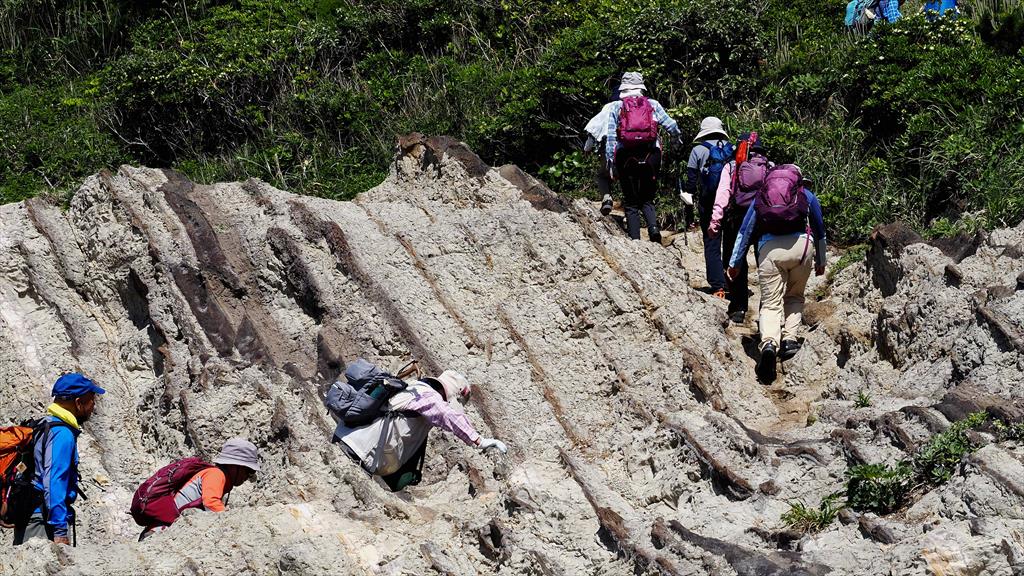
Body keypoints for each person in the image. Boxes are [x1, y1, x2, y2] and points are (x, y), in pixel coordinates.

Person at [727, 167, 827, 383]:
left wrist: (735, 262)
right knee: (794, 296)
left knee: (771, 303)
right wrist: (821, 260)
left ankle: (769, 344)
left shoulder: (761, 196)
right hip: (802, 248)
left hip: (770, 249)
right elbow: (820, 229)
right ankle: (789, 340)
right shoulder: (807, 195)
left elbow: (745, 230)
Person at [333, 370, 507, 491]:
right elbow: (446, 414)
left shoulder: (414, 387)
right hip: (359, 452)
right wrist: (479, 441)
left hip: (348, 439)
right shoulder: (429, 396)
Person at [13, 373, 104, 545]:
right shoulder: (62, 434)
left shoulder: (44, 425)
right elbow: (54, 481)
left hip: (32, 515)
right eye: (92, 399)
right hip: (44, 522)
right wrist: (60, 529)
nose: (94, 405)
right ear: (78, 402)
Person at [604, 71, 682, 242]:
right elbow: (672, 126)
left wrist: (611, 163)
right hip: (650, 155)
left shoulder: (616, 106)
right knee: (647, 198)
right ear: (641, 87)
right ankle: (653, 230)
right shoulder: (652, 104)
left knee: (631, 201)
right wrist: (676, 143)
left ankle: (635, 240)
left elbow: (610, 138)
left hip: (626, 157)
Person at [138, 438, 260, 540]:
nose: (248, 476)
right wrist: (235, 523)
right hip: (158, 534)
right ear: (235, 466)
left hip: (160, 532)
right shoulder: (216, 475)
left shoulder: (214, 475)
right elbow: (210, 502)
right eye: (248, 470)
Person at [709, 132, 772, 323]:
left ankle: (738, 307)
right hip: (763, 220)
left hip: (736, 219)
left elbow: (722, 195)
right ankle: (768, 310)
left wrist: (715, 221)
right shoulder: (770, 166)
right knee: (765, 264)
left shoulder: (732, 166)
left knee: (734, 261)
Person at [684, 117, 734, 298]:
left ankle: (717, 286)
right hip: (731, 202)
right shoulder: (733, 149)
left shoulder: (697, 150)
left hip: (708, 202)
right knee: (730, 241)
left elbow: (691, 182)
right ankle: (731, 281)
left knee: (712, 241)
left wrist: (689, 206)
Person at [584, 89, 619, 216]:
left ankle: (607, 199)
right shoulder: (636, 106)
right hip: (635, 150)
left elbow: (594, 129)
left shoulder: (608, 108)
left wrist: (587, 148)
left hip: (610, 150)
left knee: (602, 176)